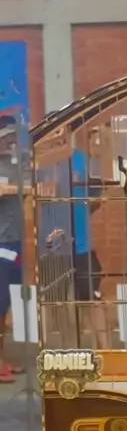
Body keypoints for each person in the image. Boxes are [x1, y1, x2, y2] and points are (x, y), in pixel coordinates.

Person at [70, 141, 109, 349]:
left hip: (82, 246)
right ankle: (70, 352)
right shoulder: (40, 162)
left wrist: (84, 206)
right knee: (62, 302)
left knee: (93, 298)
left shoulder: (83, 160)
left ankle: (106, 350)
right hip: (53, 248)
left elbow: (97, 199)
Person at [0, 115, 26, 382]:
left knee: (6, 300)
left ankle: (2, 357)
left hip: (15, 242)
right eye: (6, 136)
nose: (10, 141)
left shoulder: (15, 163)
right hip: (1, 243)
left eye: (12, 136)